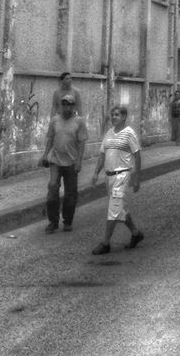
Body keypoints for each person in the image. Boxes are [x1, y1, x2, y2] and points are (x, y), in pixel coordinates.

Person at [90, 103, 143, 254]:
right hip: (109, 177)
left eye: (117, 114)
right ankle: (135, 233)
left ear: (124, 117)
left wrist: (137, 177)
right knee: (119, 208)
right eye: (112, 114)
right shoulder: (109, 134)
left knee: (113, 208)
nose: (114, 117)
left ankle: (105, 243)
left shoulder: (129, 133)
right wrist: (95, 173)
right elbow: (102, 154)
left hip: (122, 176)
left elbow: (137, 154)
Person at [40, 94, 87, 233]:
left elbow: (82, 142)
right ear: (61, 105)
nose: (66, 107)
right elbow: (49, 138)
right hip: (55, 160)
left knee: (70, 193)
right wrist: (45, 155)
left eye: (69, 104)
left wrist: (79, 160)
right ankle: (53, 222)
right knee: (53, 188)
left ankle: (67, 221)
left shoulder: (79, 122)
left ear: (73, 106)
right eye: (64, 104)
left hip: (71, 162)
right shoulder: (55, 120)